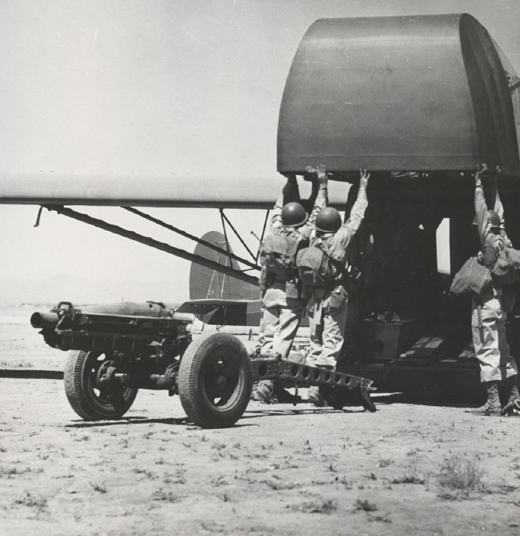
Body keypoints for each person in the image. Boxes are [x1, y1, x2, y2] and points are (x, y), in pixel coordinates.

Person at [252, 170, 327, 402]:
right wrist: (321, 185)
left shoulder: (275, 228)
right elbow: (318, 212)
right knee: (282, 340)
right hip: (292, 294)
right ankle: (266, 385)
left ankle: (258, 382)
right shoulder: (302, 234)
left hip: (270, 291)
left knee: (266, 337)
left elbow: (278, 207)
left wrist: (290, 180)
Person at [304, 166, 370, 406]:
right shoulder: (340, 239)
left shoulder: (312, 236)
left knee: (315, 344)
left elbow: (317, 210)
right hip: (335, 297)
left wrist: (322, 185)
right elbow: (356, 217)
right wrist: (362, 188)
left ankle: (313, 388)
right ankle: (321, 390)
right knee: (331, 345)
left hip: (315, 299)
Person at [471, 164, 519, 416]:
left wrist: (478, 184)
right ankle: (514, 396)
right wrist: (496, 185)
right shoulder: (505, 239)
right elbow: (497, 212)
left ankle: (493, 402)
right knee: (504, 349)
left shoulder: (489, 241)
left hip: (486, 304)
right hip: (502, 304)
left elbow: (483, 213)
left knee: (487, 349)